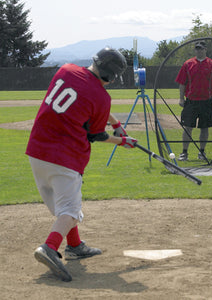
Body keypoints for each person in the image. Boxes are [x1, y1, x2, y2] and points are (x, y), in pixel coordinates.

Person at [26, 47, 137, 282]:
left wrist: (115, 122)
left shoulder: (65, 69)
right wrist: (122, 141)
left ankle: (75, 246)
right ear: (110, 76)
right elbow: (96, 135)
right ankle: (49, 247)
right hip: (64, 158)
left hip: (36, 151)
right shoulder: (102, 97)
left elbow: (82, 97)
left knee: (61, 205)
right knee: (70, 211)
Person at [175, 41, 212, 161]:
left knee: (204, 128)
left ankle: (202, 152)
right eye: (197, 49)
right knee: (187, 127)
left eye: (201, 49)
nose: (199, 51)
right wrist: (181, 98)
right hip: (191, 101)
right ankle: (184, 152)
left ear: (205, 49)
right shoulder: (188, 64)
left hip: (207, 102)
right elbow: (182, 83)